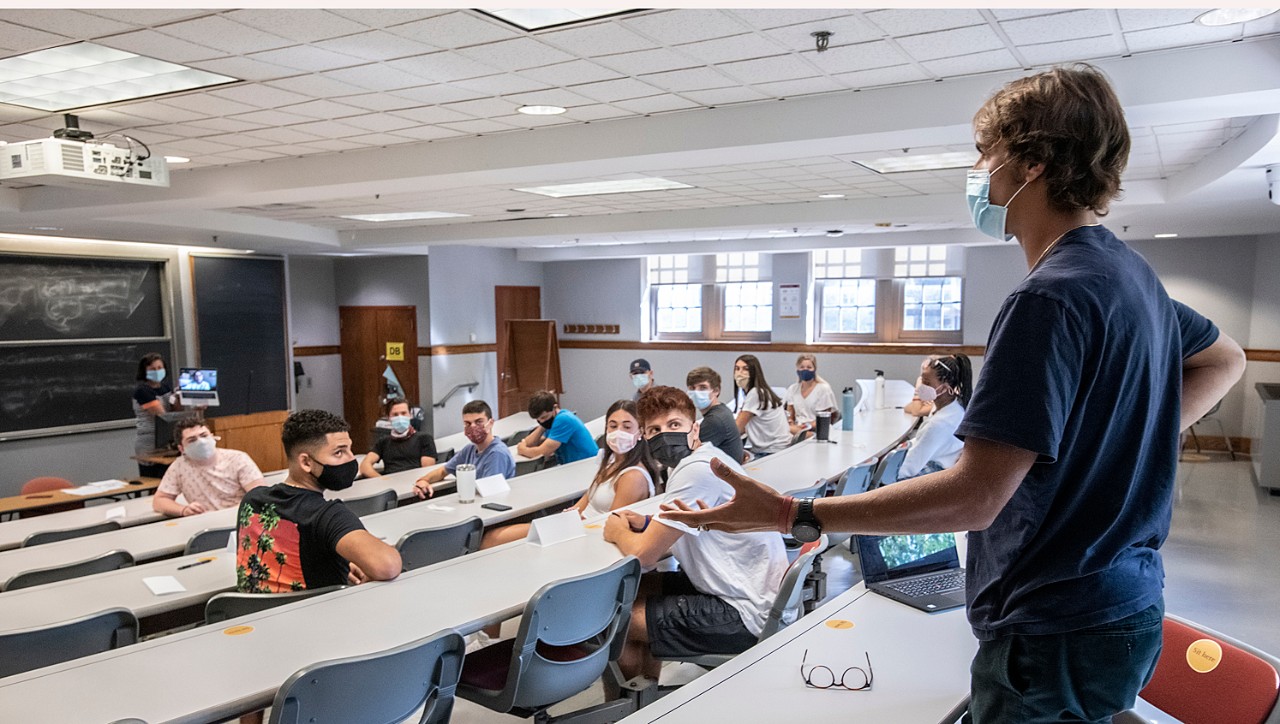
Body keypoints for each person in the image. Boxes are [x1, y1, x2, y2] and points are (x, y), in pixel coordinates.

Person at [661, 65, 1246, 724]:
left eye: (985, 155)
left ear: (1031, 162)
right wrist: (1122, 438)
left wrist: (794, 515)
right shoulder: (1129, 275)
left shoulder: (1047, 298)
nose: (977, 172)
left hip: (1052, 624)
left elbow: (976, 495)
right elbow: (1226, 359)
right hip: (1125, 602)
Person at [603, 386, 788, 682]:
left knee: (615, 618)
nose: (665, 434)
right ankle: (644, 696)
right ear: (646, 438)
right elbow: (697, 518)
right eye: (654, 429)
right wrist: (652, 521)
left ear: (694, 430)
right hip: (750, 590)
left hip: (742, 611)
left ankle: (629, 709)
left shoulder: (694, 472)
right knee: (635, 590)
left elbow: (643, 555)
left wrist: (616, 532)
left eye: (674, 425)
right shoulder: (712, 459)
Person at [236, 409, 401, 594]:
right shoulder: (328, 515)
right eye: (339, 452)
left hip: (257, 618)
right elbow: (388, 566)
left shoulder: (252, 500)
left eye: (350, 449)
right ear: (306, 462)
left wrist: (343, 560)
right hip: (317, 618)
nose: (351, 459)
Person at [480, 399, 658, 548]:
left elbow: (614, 527)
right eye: (613, 426)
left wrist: (574, 523)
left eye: (627, 427)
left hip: (587, 535)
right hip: (577, 525)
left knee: (493, 539)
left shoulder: (633, 477)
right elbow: (588, 496)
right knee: (493, 537)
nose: (618, 432)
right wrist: (570, 513)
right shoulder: (611, 462)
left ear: (640, 431)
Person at [153, 417, 266, 517]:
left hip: (240, 518)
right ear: (181, 448)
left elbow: (261, 496)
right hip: (204, 522)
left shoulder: (238, 458)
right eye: (192, 440)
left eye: (204, 436)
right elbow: (159, 500)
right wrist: (183, 510)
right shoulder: (179, 466)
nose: (201, 442)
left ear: (212, 437)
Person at [413, 400, 515, 499]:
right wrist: (423, 481)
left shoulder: (496, 454)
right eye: (468, 424)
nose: (473, 427)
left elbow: (490, 493)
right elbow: (443, 471)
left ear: (491, 423)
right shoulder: (469, 449)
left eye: (479, 422)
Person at [898, 354, 973, 480]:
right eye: (922, 380)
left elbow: (909, 469)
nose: (922, 386)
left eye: (927, 383)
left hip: (934, 474)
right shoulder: (953, 405)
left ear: (944, 387)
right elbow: (910, 408)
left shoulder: (939, 424)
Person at [359, 398, 437, 478]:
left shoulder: (424, 439)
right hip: (390, 484)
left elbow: (427, 471)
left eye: (404, 413)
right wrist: (382, 480)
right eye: (395, 414)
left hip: (415, 484)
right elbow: (365, 466)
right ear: (389, 417)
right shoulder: (384, 442)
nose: (400, 417)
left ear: (410, 415)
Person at [731, 355, 791, 457]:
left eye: (745, 369)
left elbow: (737, 429)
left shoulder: (755, 394)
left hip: (771, 452)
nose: (739, 373)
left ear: (754, 372)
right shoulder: (762, 392)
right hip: (780, 448)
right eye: (737, 368)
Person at [517, 390, 598, 465]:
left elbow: (542, 453)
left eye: (544, 417)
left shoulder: (563, 419)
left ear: (554, 407)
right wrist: (542, 427)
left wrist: (522, 450)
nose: (541, 421)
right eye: (538, 420)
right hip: (575, 464)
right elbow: (529, 444)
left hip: (586, 464)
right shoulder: (551, 420)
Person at [686, 366, 745, 464]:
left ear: (716, 391)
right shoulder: (722, 410)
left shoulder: (715, 420)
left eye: (703, 388)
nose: (696, 392)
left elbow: (689, 454)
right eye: (692, 388)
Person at [132, 352, 175, 478]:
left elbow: (176, 412)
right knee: (152, 478)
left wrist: (180, 398)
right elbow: (162, 415)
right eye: (152, 369)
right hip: (148, 441)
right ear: (144, 371)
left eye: (160, 368)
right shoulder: (142, 391)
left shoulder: (166, 388)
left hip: (165, 440)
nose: (157, 371)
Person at [784, 353, 839, 437]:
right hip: (798, 429)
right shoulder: (793, 389)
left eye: (809, 367)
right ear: (797, 369)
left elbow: (825, 418)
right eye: (802, 367)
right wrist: (790, 421)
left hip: (818, 430)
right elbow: (790, 414)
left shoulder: (823, 389)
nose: (805, 370)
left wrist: (807, 425)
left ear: (814, 369)